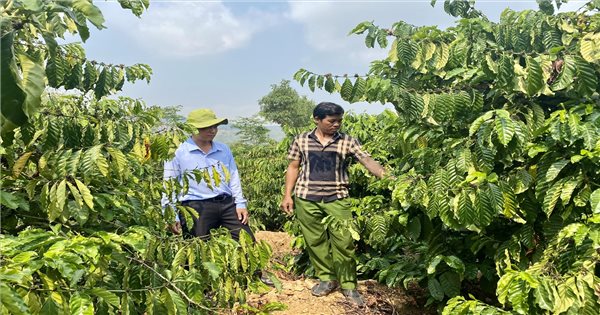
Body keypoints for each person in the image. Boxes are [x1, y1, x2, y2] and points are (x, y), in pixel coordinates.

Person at [280, 102, 387, 307]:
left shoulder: (347, 141)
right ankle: (327, 279)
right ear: (316, 119)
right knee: (315, 241)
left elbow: (367, 161)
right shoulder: (301, 140)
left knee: (344, 243)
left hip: (337, 198)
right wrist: (288, 195)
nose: (336, 124)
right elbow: (293, 167)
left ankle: (348, 285)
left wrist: (387, 177)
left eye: (339, 121)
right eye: (332, 121)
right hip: (306, 197)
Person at [162, 108, 273, 286]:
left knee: (245, 238)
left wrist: (240, 203)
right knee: (196, 246)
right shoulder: (178, 152)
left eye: (214, 126)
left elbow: (233, 176)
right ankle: (197, 286)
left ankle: (254, 275)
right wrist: (171, 213)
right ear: (193, 129)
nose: (212, 130)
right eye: (206, 127)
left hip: (226, 202)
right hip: (195, 206)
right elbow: (169, 183)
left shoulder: (223, 149)